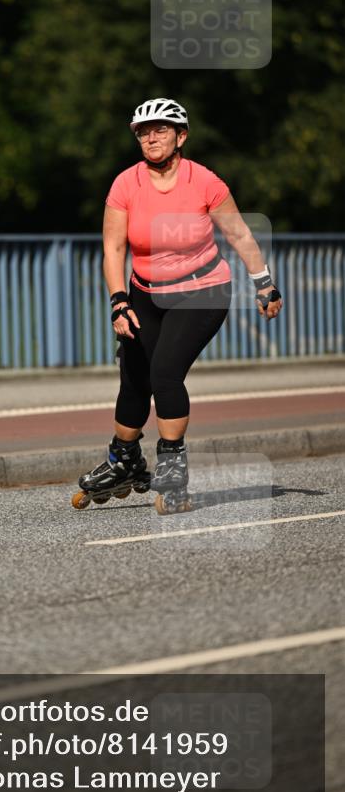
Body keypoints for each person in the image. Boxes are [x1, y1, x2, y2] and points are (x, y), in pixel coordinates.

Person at [73, 97, 283, 514]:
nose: (151, 137)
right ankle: (125, 459)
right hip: (144, 291)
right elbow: (113, 249)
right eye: (143, 131)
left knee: (165, 372)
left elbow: (240, 235)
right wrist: (119, 302)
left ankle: (173, 473)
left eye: (161, 129)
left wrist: (264, 285)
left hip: (202, 290)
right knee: (133, 376)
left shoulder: (204, 182)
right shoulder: (125, 185)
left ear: (180, 136)